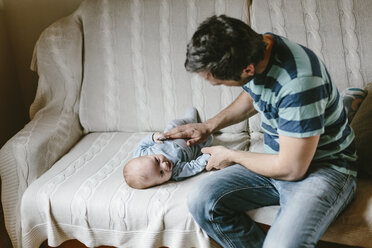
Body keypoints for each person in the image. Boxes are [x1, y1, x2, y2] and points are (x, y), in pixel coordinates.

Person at [164, 15, 357, 248]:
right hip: (277, 161)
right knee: (201, 200)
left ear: (248, 69)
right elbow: (254, 94)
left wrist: (231, 155)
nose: (218, 85)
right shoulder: (258, 46)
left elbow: (292, 169)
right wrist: (208, 126)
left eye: (221, 82)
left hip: (323, 169)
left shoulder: (299, 83)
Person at [124, 107, 212, 189]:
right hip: (190, 146)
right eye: (161, 173)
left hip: (170, 135)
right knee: (207, 140)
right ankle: (208, 130)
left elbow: (143, 144)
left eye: (157, 161)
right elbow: (193, 166)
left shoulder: (140, 153)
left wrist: (153, 137)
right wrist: (206, 157)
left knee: (173, 123)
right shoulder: (176, 173)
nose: (165, 165)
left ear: (146, 156)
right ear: (159, 183)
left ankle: (190, 119)